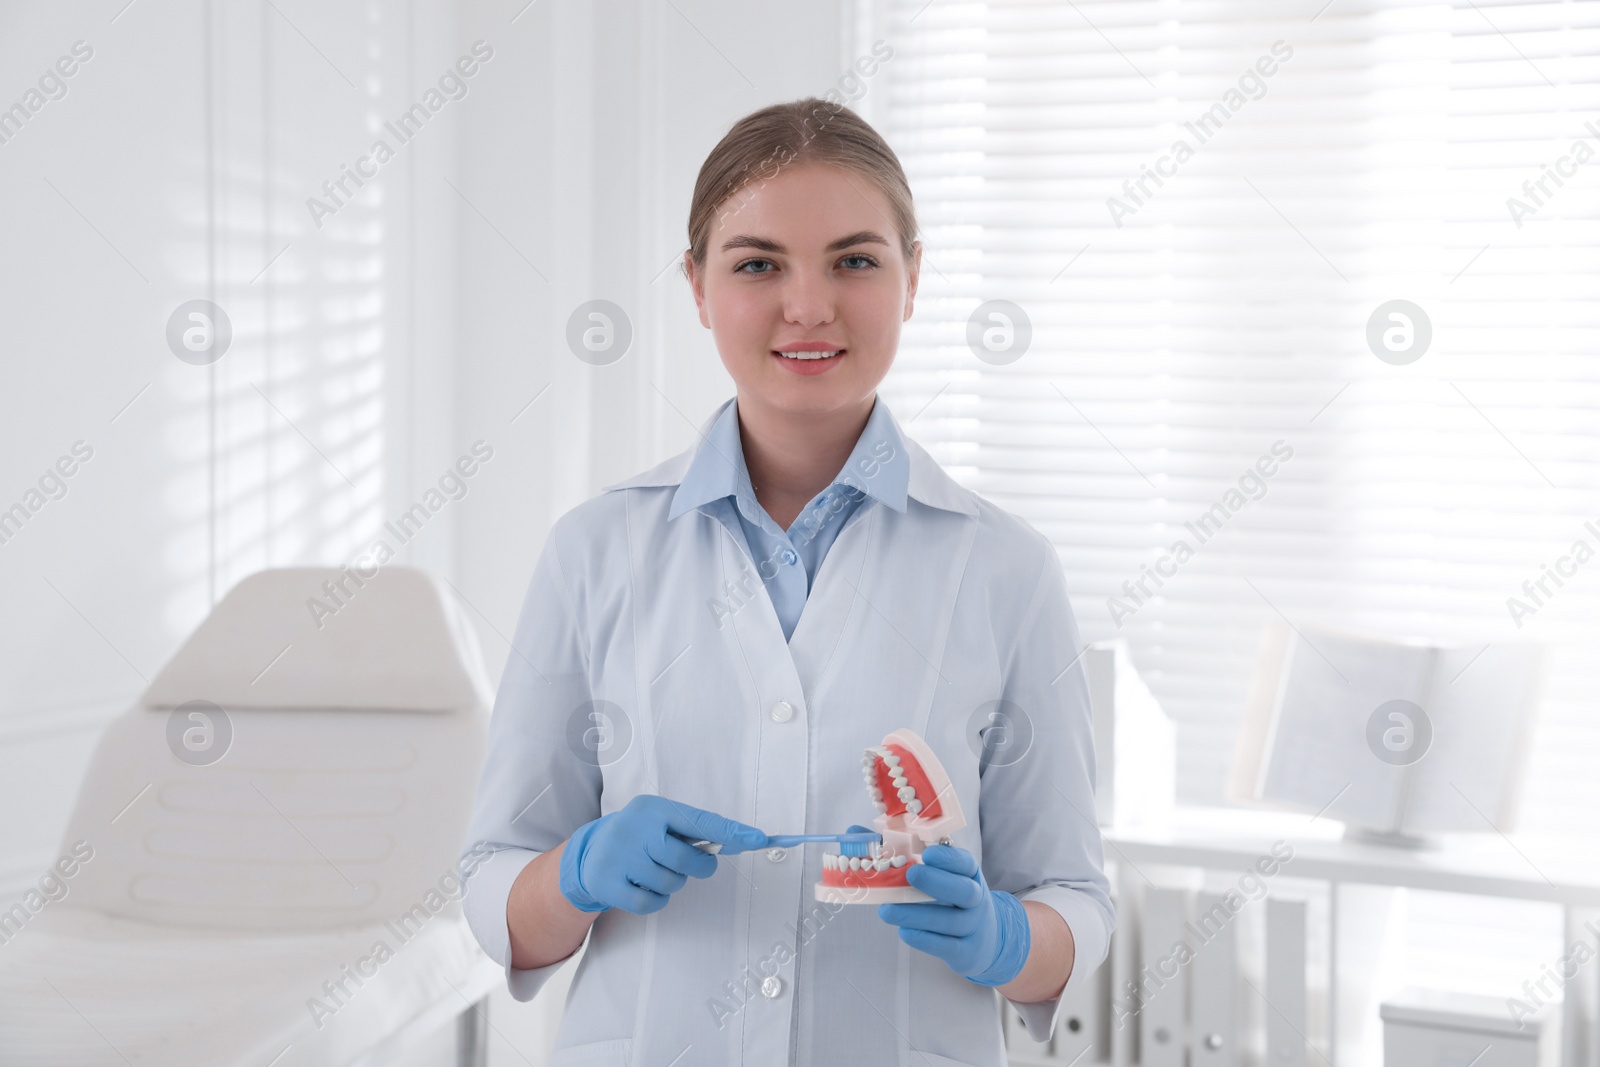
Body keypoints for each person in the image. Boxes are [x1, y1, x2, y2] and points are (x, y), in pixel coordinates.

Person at [460, 97, 1113, 1066]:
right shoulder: (594, 550)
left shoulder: (1004, 568)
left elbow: (1073, 893)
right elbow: (496, 893)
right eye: (758, 263)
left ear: (913, 276)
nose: (807, 306)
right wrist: (581, 870)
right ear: (696, 284)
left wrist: (1007, 939)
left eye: (854, 260)